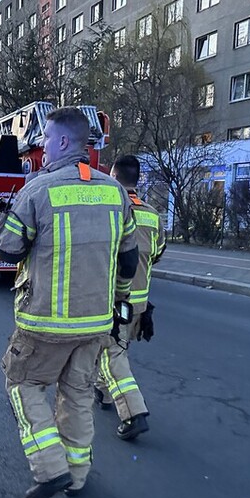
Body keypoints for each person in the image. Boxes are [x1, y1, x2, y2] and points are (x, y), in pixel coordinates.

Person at [0, 107, 139, 498]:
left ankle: (50, 467)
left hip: (45, 324)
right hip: (95, 324)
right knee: (77, 396)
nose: (41, 148)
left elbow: (8, 248)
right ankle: (76, 475)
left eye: (45, 141)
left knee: (22, 385)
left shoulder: (39, 190)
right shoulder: (115, 191)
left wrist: (1, 217)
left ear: (60, 142)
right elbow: (128, 259)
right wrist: (119, 298)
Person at [94, 155, 165, 441]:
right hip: (139, 303)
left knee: (113, 355)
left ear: (113, 177)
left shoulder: (110, 211)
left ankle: (133, 413)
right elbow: (157, 253)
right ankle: (103, 391)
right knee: (116, 350)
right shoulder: (152, 214)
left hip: (114, 299)